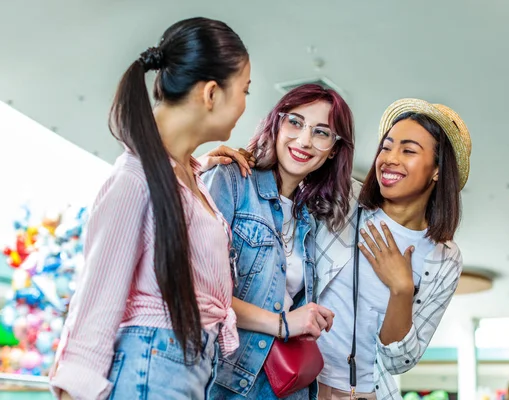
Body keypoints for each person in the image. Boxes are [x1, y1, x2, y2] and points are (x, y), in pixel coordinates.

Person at [49, 17, 251, 400]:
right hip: (153, 366)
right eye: (244, 89)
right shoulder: (134, 178)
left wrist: (201, 166)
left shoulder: (181, 176)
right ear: (211, 93)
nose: (244, 104)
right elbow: (97, 300)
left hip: (179, 366)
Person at [201, 84, 355, 399]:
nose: (304, 141)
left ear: (334, 149)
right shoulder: (230, 180)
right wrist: (283, 323)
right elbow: (202, 294)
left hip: (285, 387)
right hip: (225, 382)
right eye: (295, 122)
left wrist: (309, 316)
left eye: (321, 132)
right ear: (277, 123)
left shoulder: (310, 218)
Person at [314, 98, 472, 400]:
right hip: (299, 381)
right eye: (386, 146)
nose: (390, 158)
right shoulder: (345, 202)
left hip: (366, 393)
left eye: (408, 150)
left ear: (438, 170)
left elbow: (399, 360)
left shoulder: (445, 259)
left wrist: (401, 288)